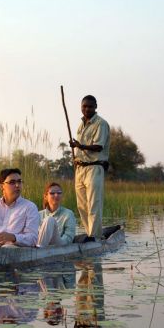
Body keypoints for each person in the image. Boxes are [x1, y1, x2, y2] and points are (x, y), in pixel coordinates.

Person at [69, 95, 110, 239]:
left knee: (94, 204)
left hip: (94, 167)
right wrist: (76, 155)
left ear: (95, 107)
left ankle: (95, 237)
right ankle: (89, 234)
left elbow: (98, 147)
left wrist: (80, 146)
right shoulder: (81, 124)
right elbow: (80, 148)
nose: (87, 109)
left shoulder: (101, 123)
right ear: (81, 107)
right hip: (80, 168)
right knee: (82, 206)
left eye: (90, 106)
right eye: (84, 106)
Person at [37, 182, 77, 247]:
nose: (56, 195)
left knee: (49, 220)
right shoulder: (39, 214)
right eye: (52, 193)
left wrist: (58, 245)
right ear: (46, 196)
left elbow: (69, 237)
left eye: (59, 193)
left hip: (59, 244)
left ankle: (39, 249)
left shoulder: (69, 214)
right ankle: (39, 248)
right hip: (40, 242)